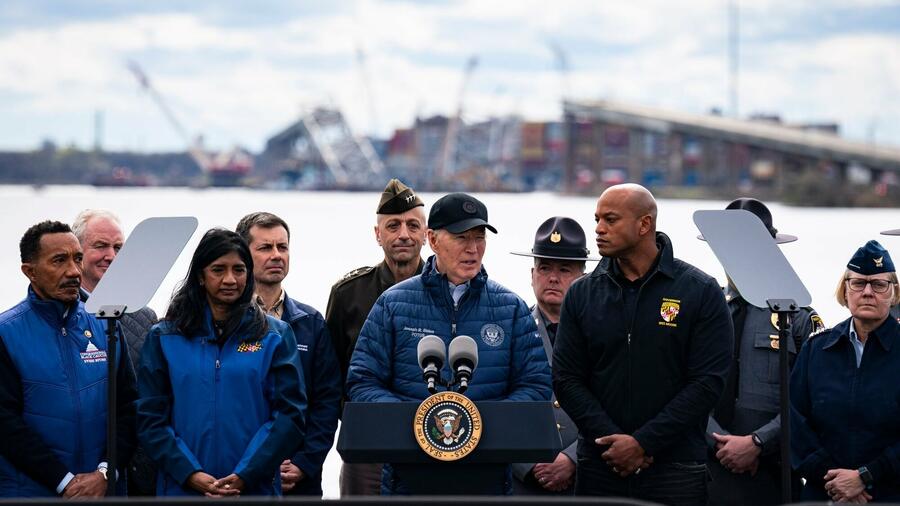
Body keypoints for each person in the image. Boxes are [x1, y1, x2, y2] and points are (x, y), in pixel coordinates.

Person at [347, 192, 552, 495]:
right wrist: (420, 421)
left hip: (487, 482)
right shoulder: (392, 304)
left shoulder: (510, 308)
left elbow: (536, 386)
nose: (473, 249)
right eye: (461, 237)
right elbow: (362, 382)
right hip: (410, 480)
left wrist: (475, 423)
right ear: (432, 239)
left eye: (479, 237)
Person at [552, 183, 733, 505]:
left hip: (675, 469)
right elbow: (567, 379)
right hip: (600, 466)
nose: (598, 229)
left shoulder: (700, 291)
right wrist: (614, 444)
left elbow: (707, 383)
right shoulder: (581, 293)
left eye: (610, 219)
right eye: (597, 219)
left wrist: (644, 443)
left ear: (644, 224)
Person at [136, 228, 307, 496]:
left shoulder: (275, 335)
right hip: (183, 490)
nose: (230, 279)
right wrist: (190, 473)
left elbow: (290, 415)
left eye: (239, 270)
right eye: (218, 269)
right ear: (201, 276)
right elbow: (150, 418)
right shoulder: (165, 337)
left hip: (253, 489)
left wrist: (246, 474)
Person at [702, 198, 825, 505]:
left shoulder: (797, 319)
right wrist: (720, 444)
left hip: (772, 472)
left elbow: (811, 401)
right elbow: (682, 386)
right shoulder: (702, 311)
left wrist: (758, 444)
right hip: (706, 469)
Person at [0, 220, 137, 497]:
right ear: (30, 272)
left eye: (77, 258)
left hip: (104, 490)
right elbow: (5, 424)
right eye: (59, 261)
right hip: (31, 492)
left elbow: (129, 406)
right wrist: (63, 482)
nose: (74, 271)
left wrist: (105, 473)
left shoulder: (105, 323)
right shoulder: (6, 333)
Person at [325, 178, 426, 497]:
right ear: (377, 234)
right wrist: (356, 424)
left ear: (427, 234)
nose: (404, 235)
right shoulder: (349, 294)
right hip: (367, 447)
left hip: (433, 442)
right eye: (393, 225)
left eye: (413, 225)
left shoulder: (448, 291)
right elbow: (329, 377)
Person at [236, 212, 340, 497]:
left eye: (282, 247)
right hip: (236, 474)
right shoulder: (225, 322)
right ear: (243, 254)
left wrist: (305, 463)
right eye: (265, 247)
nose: (276, 255)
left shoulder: (311, 322)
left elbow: (327, 402)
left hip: (298, 477)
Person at [791, 240, 900, 502]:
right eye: (858, 283)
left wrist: (865, 476)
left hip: (889, 494)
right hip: (824, 492)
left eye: (879, 284)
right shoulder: (817, 349)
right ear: (845, 289)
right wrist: (836, 481)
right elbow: (795, 423)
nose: (867, 292)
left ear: (894, 293)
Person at [72, 209, 159, 496]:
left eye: (119, 248)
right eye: (100, 246)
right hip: (80, 469)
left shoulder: (144, 316)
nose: (111, 255)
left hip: (139, 473)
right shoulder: (62, 316)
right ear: (77, 252)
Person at [510, 216, 599, 495]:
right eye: (544, 267)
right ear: (532, 274)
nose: (552, 277)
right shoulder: (508, 331)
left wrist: (573, 458)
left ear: (582, 278)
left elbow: (617, 407)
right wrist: (526, 463)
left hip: (587, 478)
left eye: (564, 269)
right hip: (524, 482)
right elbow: (494, 403)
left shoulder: (604, 335)